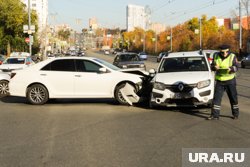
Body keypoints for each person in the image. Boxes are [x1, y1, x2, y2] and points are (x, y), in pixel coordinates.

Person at [207, 44, 239, 120]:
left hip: (230, 80)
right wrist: (214, 67)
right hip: (220, 81)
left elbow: (237, 67)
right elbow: (212, 66)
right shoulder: (216, 56)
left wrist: (231, 69)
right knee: (216, 99)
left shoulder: (232, 56)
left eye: (227, 52)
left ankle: (235, 114)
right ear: (220, 51)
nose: (225, 54)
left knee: (233, 98)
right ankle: (215, 115)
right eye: (222, 52)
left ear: (229, 51)